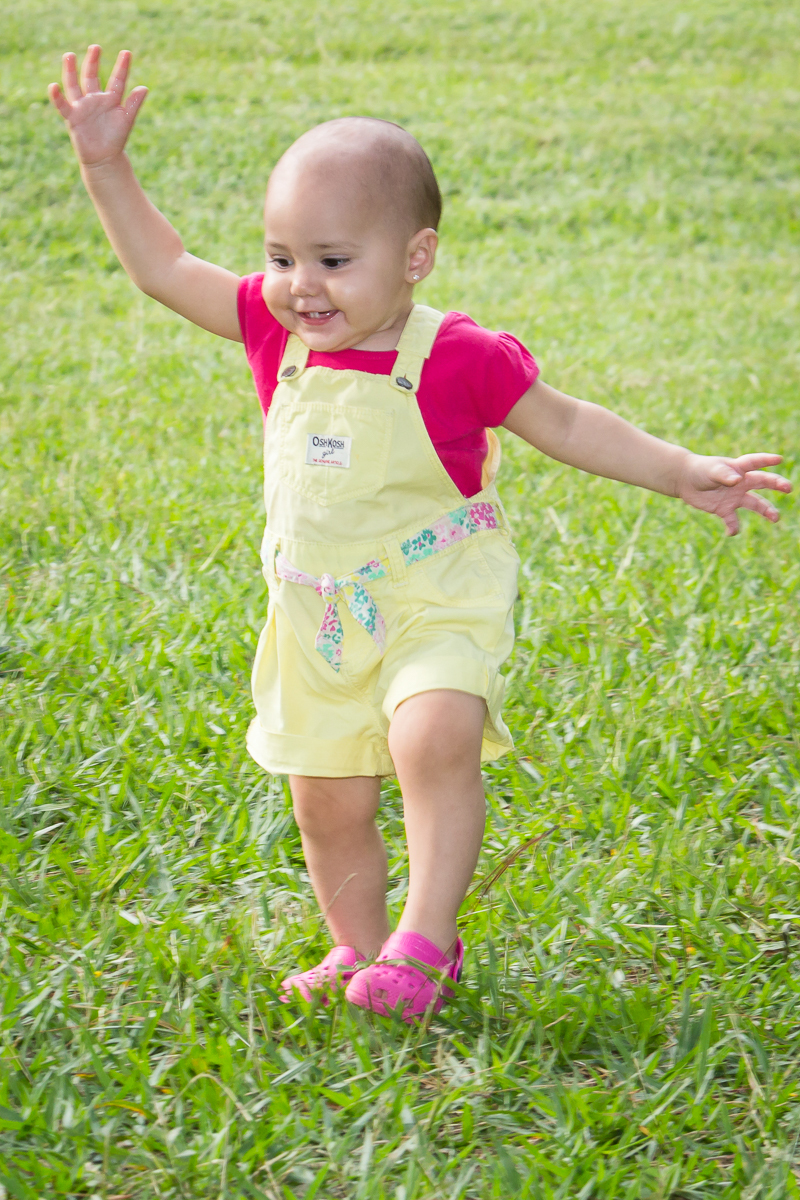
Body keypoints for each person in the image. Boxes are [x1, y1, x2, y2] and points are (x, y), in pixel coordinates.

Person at [49, 46, 791, 1023]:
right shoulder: (275, 332)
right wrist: (107, 168)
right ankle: (356, 947)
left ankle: (425, 943)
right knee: (326, 800)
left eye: (331, 261)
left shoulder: (454, 356)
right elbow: (163, 269)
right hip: (316, 615)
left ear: (414, 257)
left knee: (429, 733)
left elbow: (567, 423)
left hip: (436, 595)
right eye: (280, 257)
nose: (299, 285)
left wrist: (678, 471)